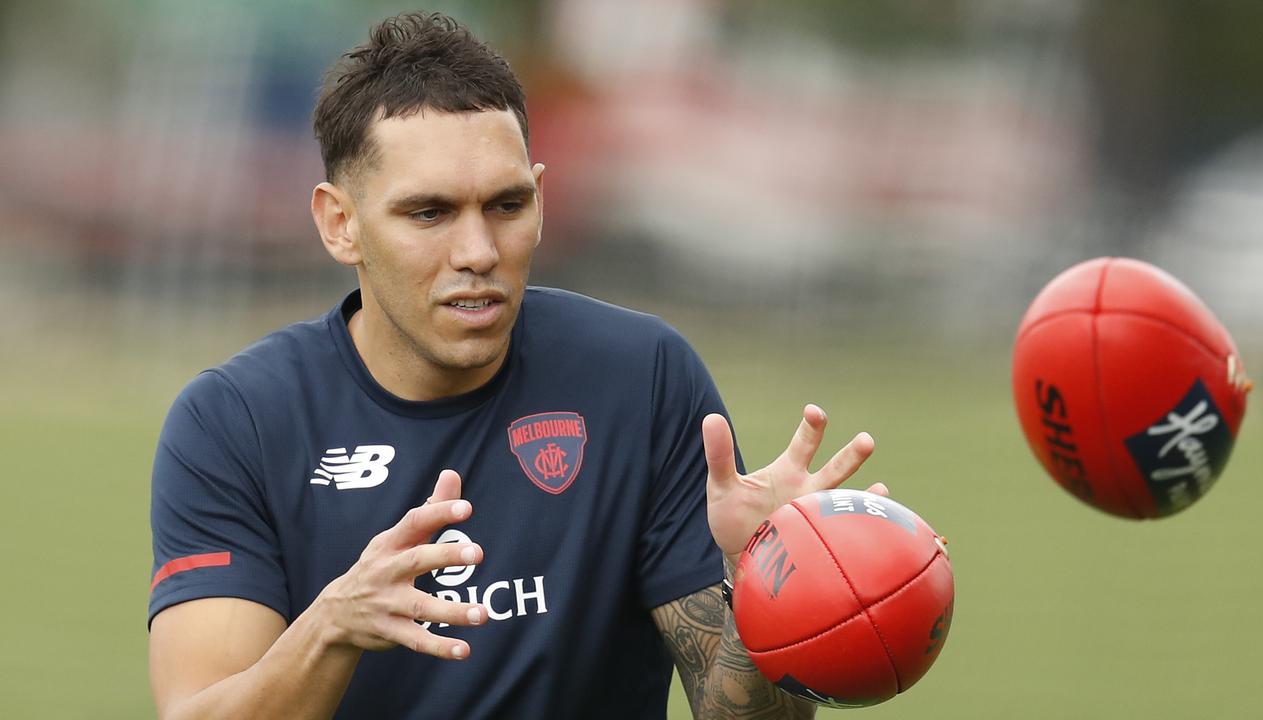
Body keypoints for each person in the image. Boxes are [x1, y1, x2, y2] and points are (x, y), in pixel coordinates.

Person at [147, 12, 879, 720]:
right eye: (428, 213)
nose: (478, 252)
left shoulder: (641, 377)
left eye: (506, 204)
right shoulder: (235, 421)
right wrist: (333, 624)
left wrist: (765, 587)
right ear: (341, 223)